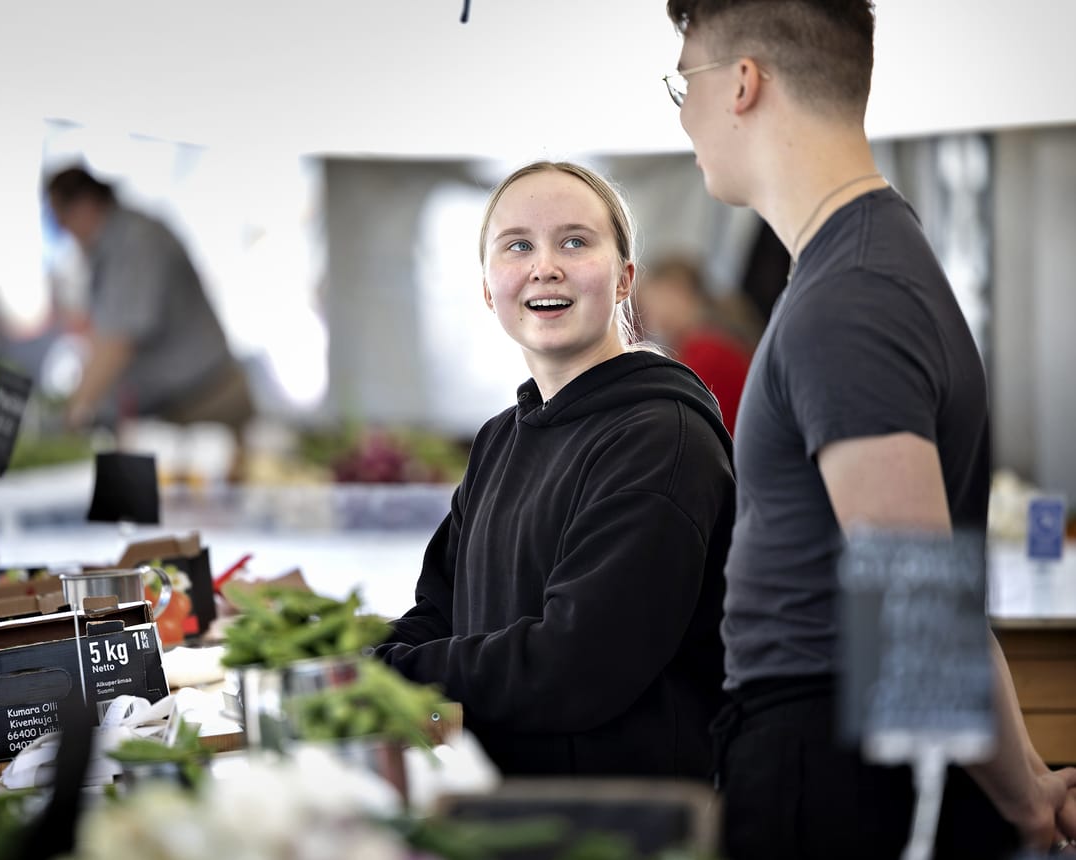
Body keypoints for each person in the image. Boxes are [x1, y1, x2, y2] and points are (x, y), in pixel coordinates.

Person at [662, 1, 1076, 856]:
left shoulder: (850, 294)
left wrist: (1027, 801)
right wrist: (1025, 779)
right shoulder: (860, 262)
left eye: (684, 81)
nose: (683, 113)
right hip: (828, 749)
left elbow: (917, 607)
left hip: (829, 768)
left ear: (742, 83)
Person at [374, 161, 735, 778]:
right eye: (518, 246)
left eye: (574, 241)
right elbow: (441, 609)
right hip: (503, 805)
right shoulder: (500, 440)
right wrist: (353, 659)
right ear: (489, 289)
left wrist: (387, 671)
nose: (545, 265)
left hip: (619, 822)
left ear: (624, 280)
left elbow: (577, 664)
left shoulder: (661, 440)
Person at [44, 166, 254, 448]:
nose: (67, 234)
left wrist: (71, 420)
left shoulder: (133, 241)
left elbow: (116, 342)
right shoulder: (114, 246)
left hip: (207, 404)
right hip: (182, 410)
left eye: (64, 222)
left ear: (85, 205)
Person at [633, 253, 752, 435]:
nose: (647, 317)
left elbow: (676, 423)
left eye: (650, 305)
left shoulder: (708, 351)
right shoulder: (707, 342)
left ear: (675, 292)